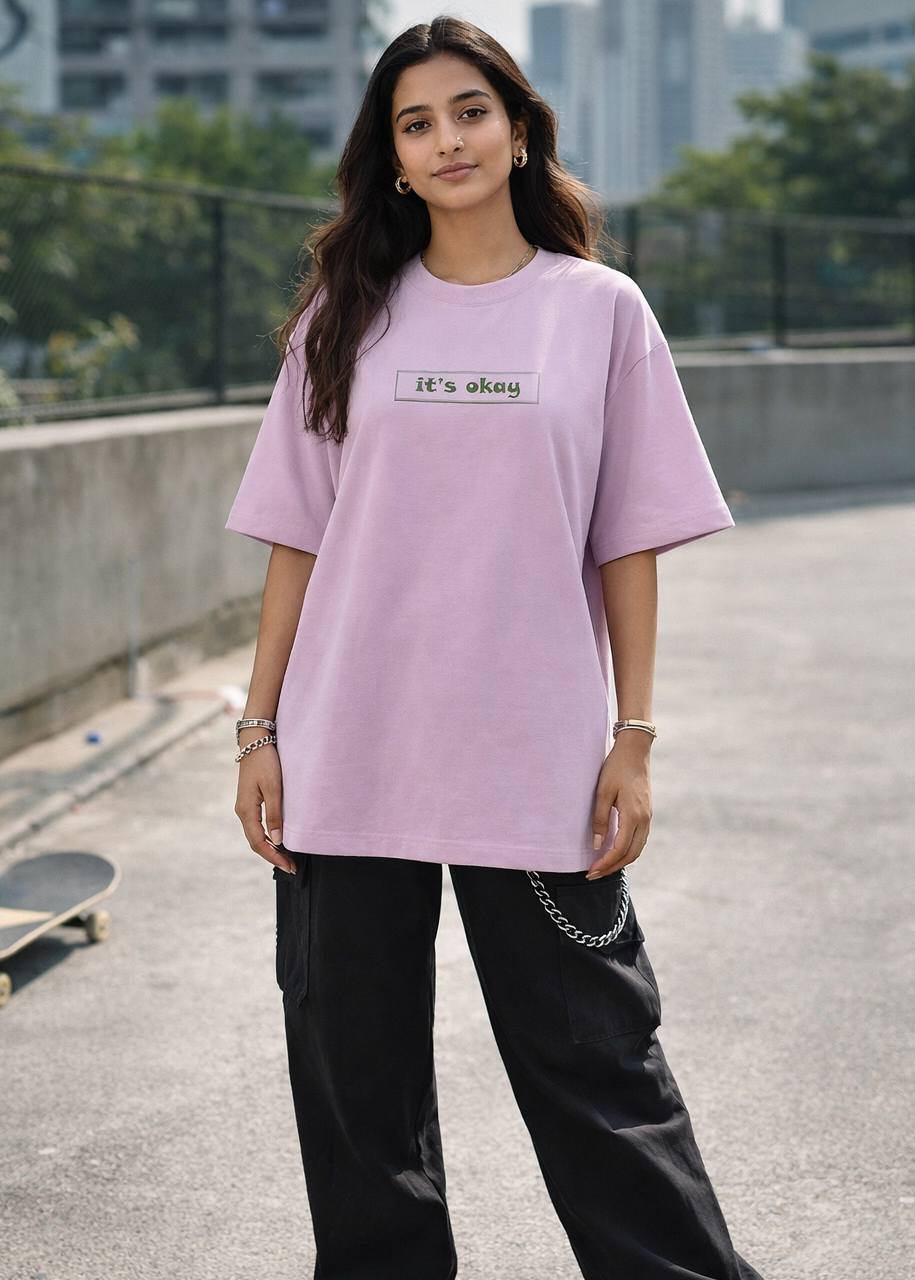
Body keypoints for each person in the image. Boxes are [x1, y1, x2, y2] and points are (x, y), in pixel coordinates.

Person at [227, 16, 763, 1280]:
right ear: (393, 159)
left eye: (470, 111)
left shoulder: (599, 312)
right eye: (415, 123)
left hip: (535, 749)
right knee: (356, 1083)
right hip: (348, 742)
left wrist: (634, 736)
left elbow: (627, 540)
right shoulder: (344, 315)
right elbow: (298, 538)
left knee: (599, 1063)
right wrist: (258, 728)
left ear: (519, 131)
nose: (447, 140)